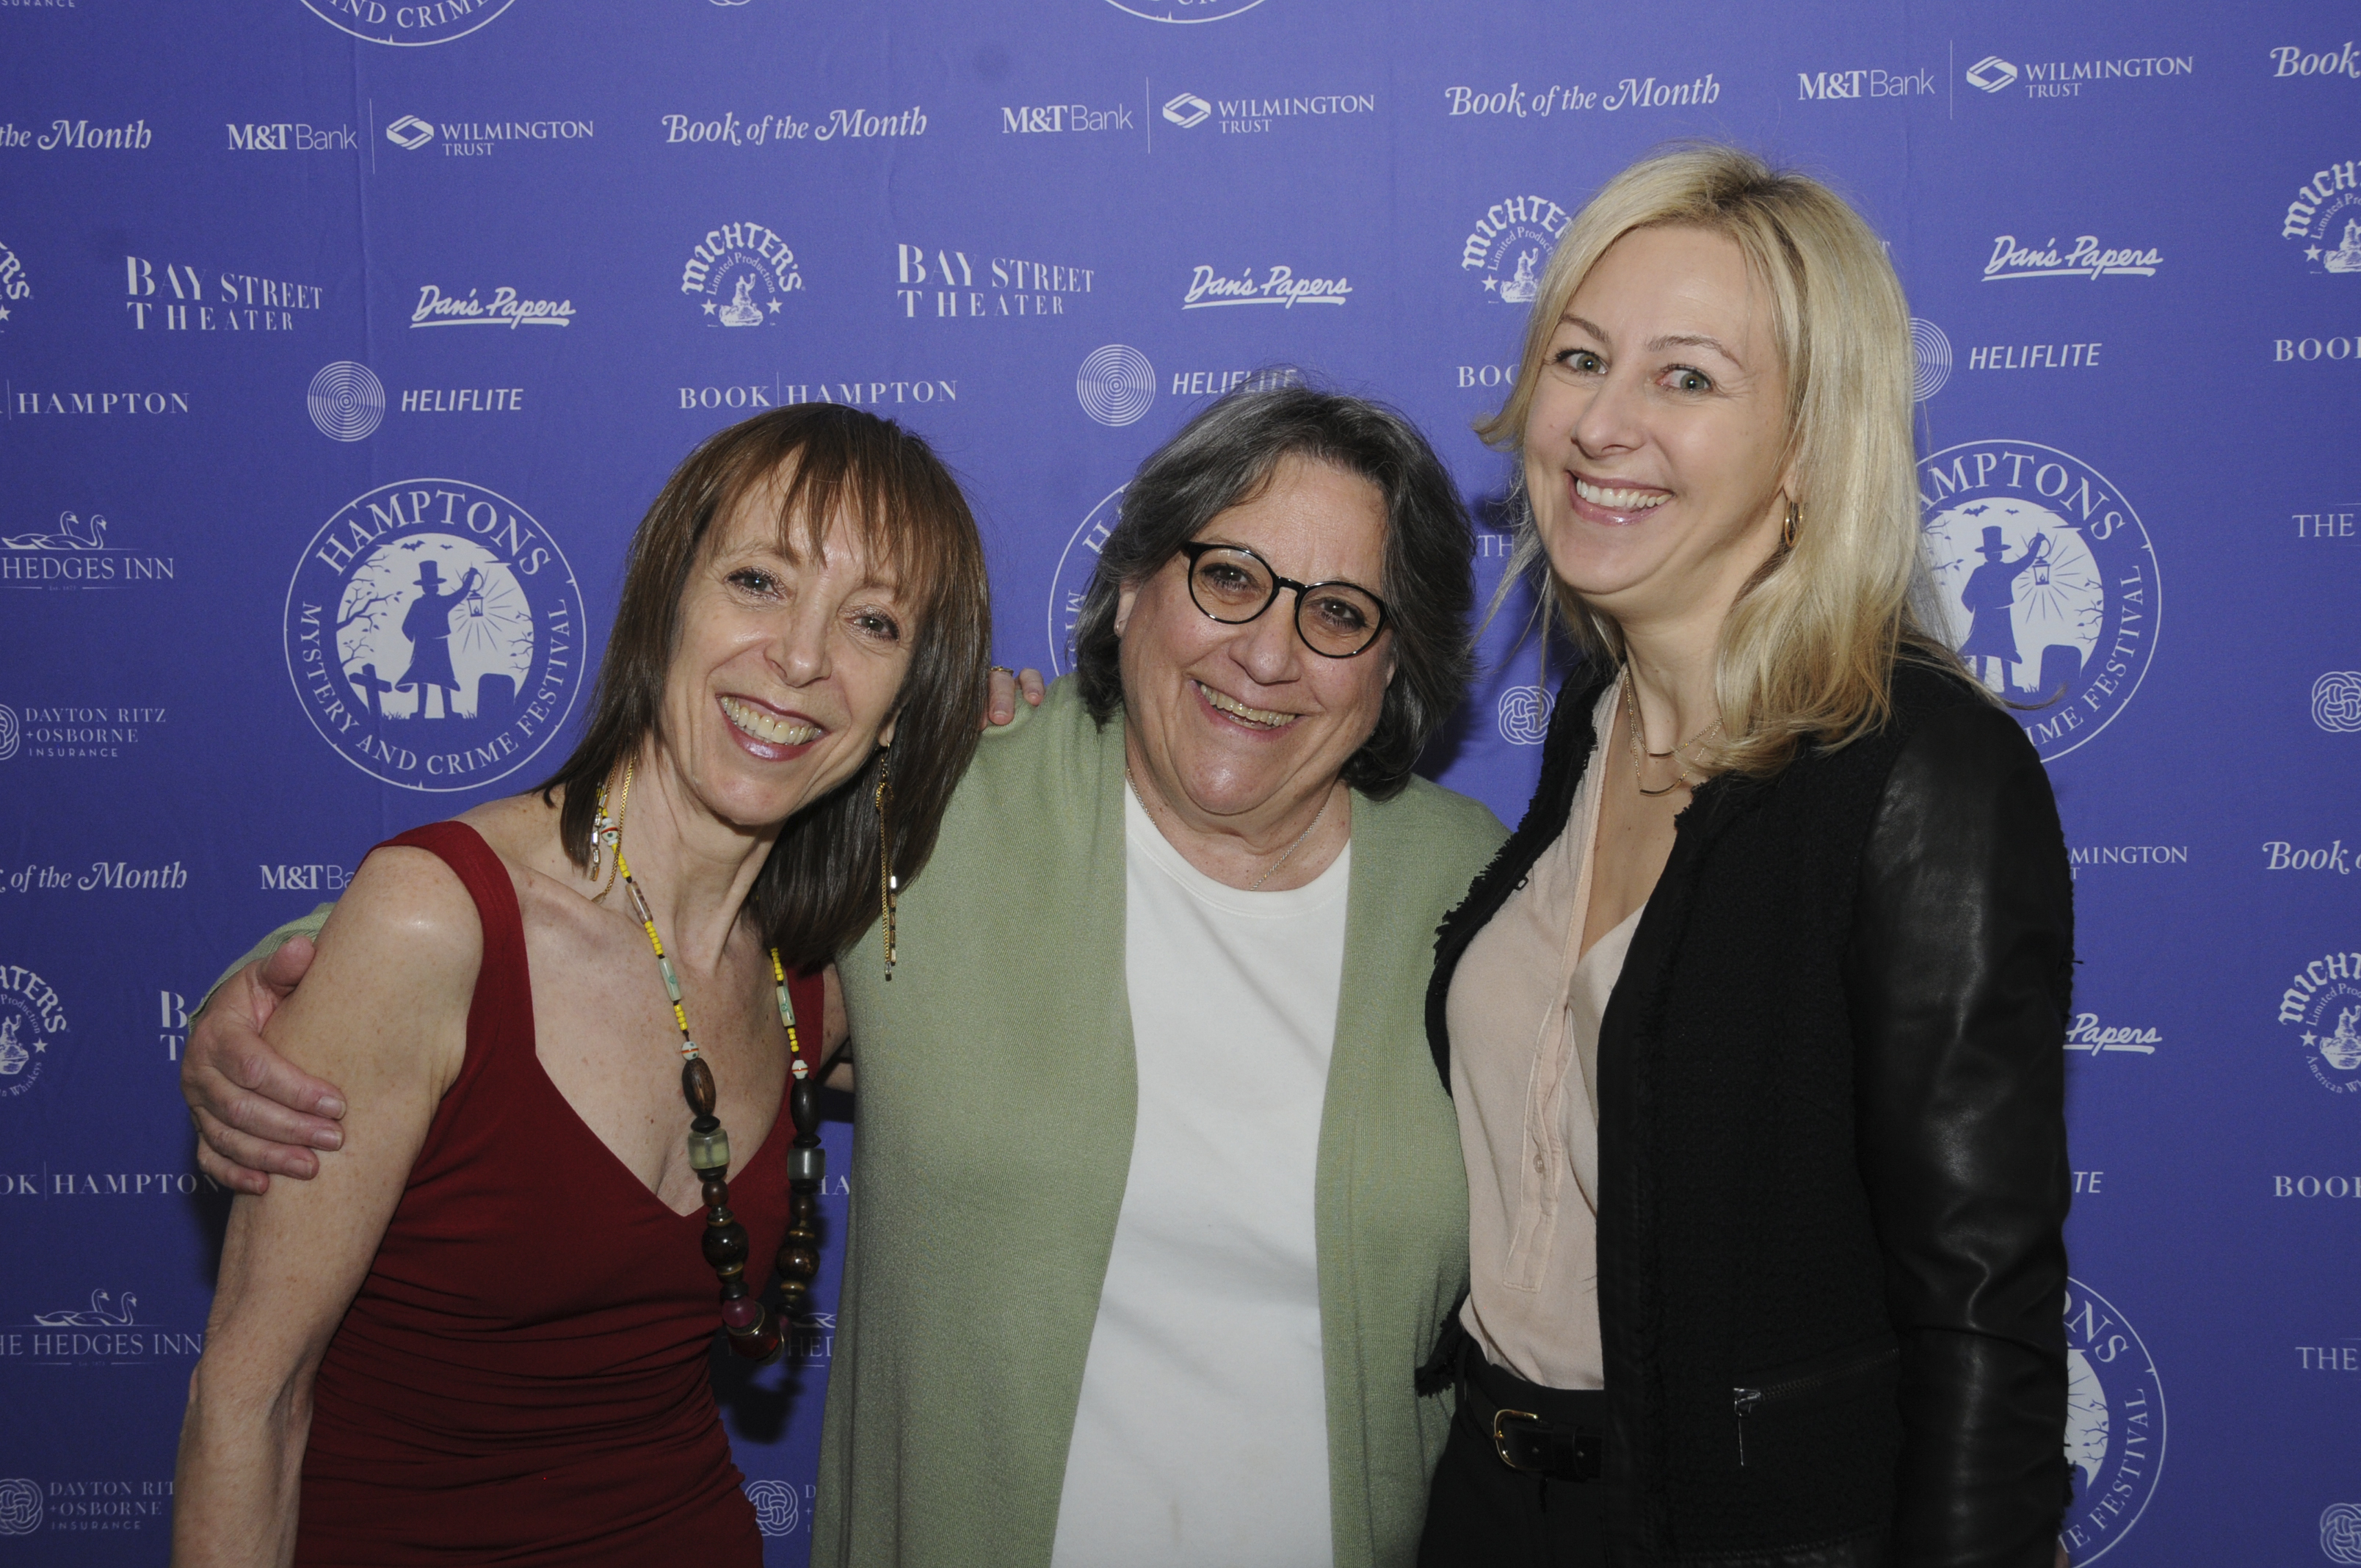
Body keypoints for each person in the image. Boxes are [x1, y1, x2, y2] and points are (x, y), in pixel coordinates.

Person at [183, 384, 1506, 1568]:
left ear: (1395, 669)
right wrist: (260, 1003)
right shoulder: (950, 815)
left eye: (1340, 613)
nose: (1268, 651)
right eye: (1229, 577)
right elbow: (529, 924)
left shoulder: (1470, 886)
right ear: (1135, 589)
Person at [171, 403, 993, 1567]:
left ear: (911, 693)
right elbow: (247, 1402)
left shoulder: (816, 987)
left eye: (873, 622)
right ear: (667, 599)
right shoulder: (430, 918)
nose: (804, 659)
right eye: (758, 581)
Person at [1418, 145, 2072, 1567]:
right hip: (1486, 1505)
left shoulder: (1923, 776)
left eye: (1690, 379)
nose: (1601, 423)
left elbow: (1983, 1319)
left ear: (1808, 449)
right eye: (1581, 358)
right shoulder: (1594, 725)